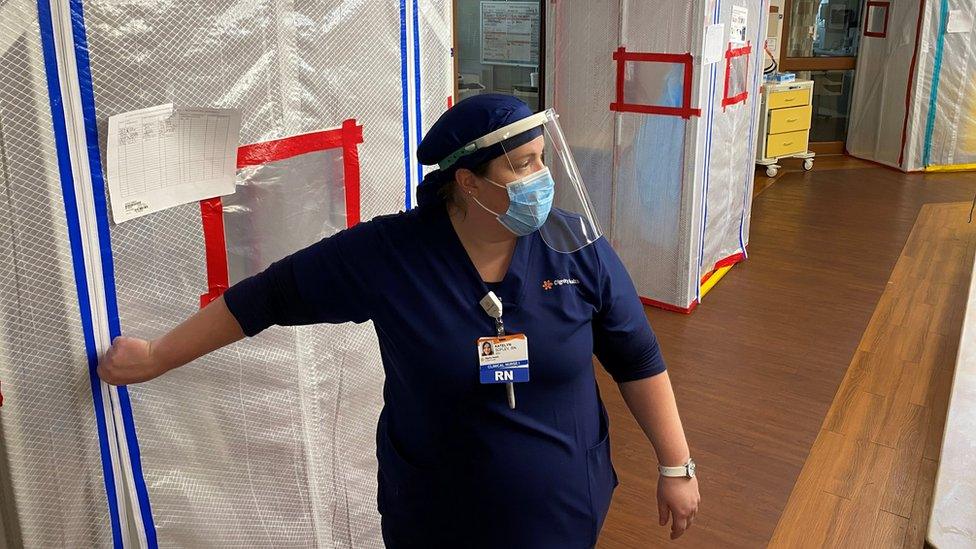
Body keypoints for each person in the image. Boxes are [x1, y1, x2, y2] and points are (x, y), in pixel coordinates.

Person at [98, 94, 700, 547]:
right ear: (468, 181)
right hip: (435, 515)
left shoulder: (575, 246)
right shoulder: (390, 255)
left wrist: (676, 465)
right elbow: (264, 299)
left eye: (542, 160)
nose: (541, 180)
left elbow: (637, 357)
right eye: (522, 166)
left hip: (561, 511)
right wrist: (156, 358)